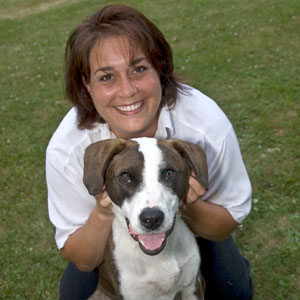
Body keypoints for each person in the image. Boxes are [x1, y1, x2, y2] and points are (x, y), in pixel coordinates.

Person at [46, 4, 253, 300]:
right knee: (76, 295)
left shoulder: (204, 124)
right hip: (109, 236)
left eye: (139, 69)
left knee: (232, 291)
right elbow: (82, 257)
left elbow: (226, 223)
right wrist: (104, 210)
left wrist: (185, 202)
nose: (128, 90)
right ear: (86, 85)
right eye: (107, 77)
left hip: (192, 227)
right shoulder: (68, 149)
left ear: (160, 69)